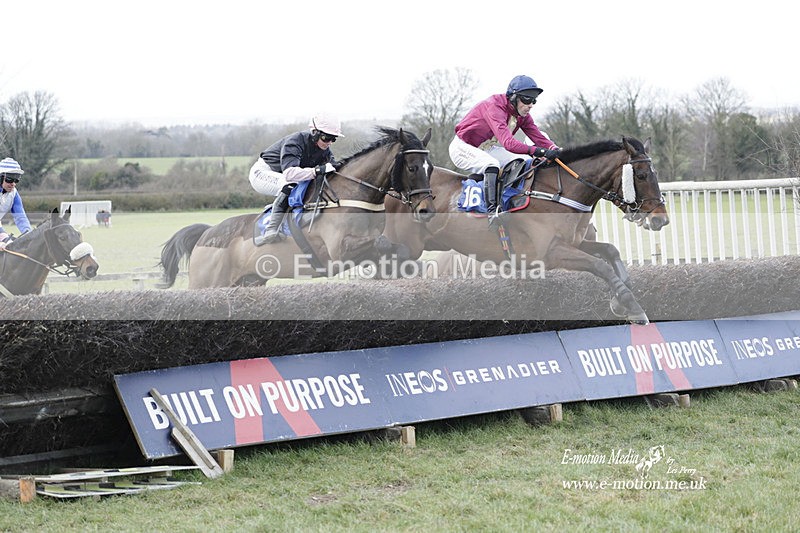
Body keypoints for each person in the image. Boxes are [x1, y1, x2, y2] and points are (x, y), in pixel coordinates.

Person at [449, 74, 561, 228]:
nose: (531, 105)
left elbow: (538, 136)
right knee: (491, 164)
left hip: (487, 148)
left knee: (521, 161)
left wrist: (554, 149)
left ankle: (511, 200)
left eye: (534, 100)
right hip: (463, 147)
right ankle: (492, 212)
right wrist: (540, 152)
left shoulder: (522, 115)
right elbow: (509, 144)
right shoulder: (494, 107)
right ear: (513, 97)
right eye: (527, 99)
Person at [249, 113, 343, 245]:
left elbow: (333, 169)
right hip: (262, 173)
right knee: (288, 184)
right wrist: (316, 170)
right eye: (326, 138)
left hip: (283, 175)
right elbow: (290, 174)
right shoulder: (295, 141)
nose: (329, 143)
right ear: (315, 133)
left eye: (333, 139)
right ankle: (272, 229)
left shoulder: (325, 150)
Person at [0, 157, 32, 250]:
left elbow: (20, 217)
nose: (13, 184)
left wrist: (29, 236)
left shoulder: (14, 193)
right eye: (10, 180)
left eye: (16, 180)